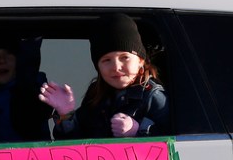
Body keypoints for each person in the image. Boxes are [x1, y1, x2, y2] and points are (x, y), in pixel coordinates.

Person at [38, 13, 170, 139]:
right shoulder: (95, 96)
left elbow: (177, 138)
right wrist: (66, 115)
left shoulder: (152, 96)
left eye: (125, 57)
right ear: (98, 67)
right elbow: (76, 145)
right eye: (107, 60)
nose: (116, 67)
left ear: (140, 61)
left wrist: (138, 130)